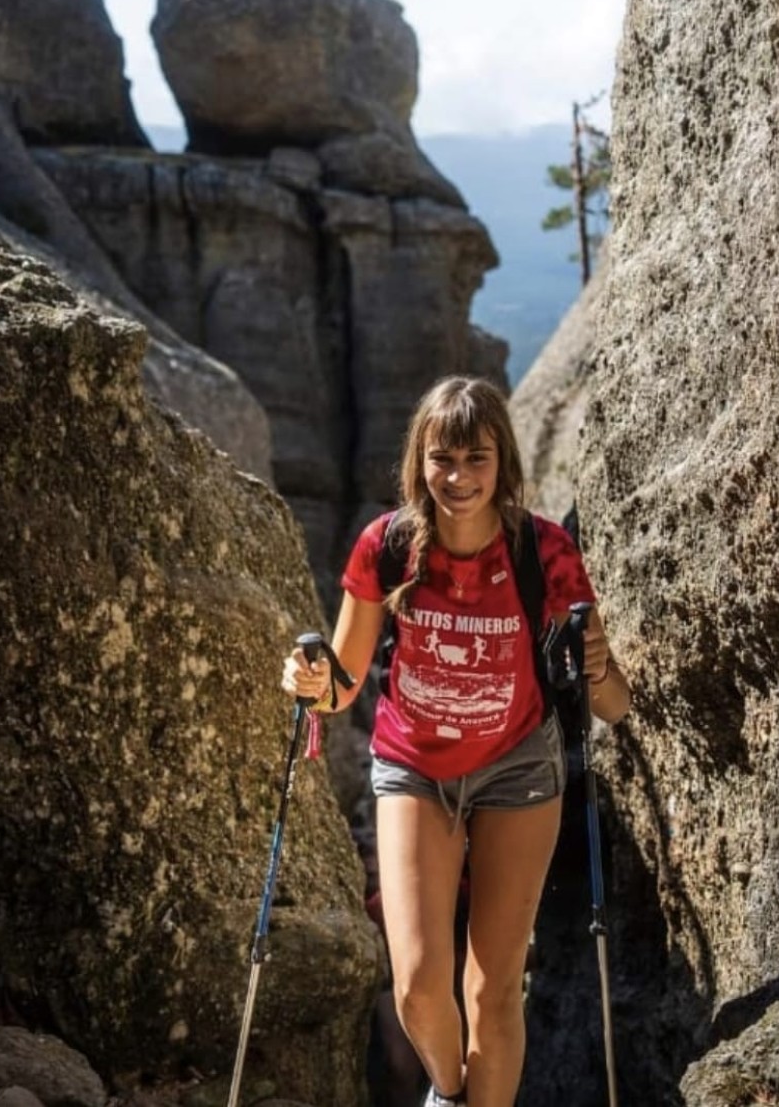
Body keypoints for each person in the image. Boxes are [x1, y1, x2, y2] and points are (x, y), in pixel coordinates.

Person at [282, 376, 630, 1107]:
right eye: (444, 457)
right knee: (415, 985)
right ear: (420, 461)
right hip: (412, 770)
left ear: (503, 461)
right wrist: (308, 679)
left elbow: (613, 704)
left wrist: (597, 662)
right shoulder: (388, 546)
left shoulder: (545, 550)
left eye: (477, 457)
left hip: (518, 770)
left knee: (493, 988)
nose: (460, 476)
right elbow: (341, 686)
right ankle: (449, 1093)